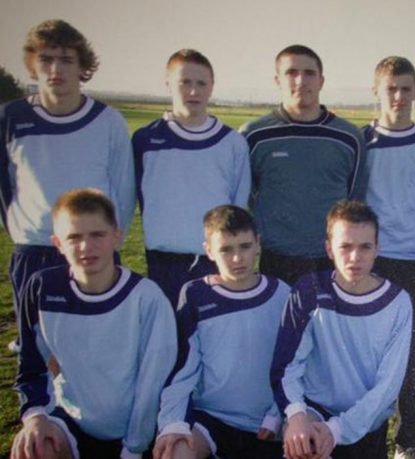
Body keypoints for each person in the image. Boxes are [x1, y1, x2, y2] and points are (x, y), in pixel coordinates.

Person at [1, 19, 135, 352]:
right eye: (46, 59)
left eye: (66, 59)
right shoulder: (10, 119)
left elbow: (123, 189)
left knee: (97, 348)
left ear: (83, 67)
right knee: (37, 353)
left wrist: (108, 242)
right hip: (34, 251)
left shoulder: (108, 122)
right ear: (33, 64)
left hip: (96, 251)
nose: (55, 69)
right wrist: (24, 232)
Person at [12, 188, 176, 459]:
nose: (86, 247)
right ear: (58, 243)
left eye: (97, 235)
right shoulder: (42, 288)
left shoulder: (146, 297)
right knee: (34, 447)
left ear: (117, 236)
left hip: (138, 432)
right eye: (74, 237)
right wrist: (35, 416)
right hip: (72, 421)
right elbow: (30, 366)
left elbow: (153, 381)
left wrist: (134, 448)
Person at [271, 200, 412, 459]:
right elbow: (287, 365)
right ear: (329, 249)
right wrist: (296, 415)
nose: (355, 257)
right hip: (315, 412)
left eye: (365, 247)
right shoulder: (309, 291)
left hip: (366, 423)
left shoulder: (398, 303)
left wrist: (338, 429)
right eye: (345, 247)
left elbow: (387, 387)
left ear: (377, 249)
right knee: (304, 447)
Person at [153, 205, 290, 459]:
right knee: (175, 453)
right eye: (226, 249)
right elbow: (182, 368)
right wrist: (172, 423)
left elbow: (292, 364)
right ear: (209, 251)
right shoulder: (195, 294)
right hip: (212, 420)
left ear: (258, 244)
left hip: (269, 423)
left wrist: (275, 414)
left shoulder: (281, 293)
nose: (237, 258)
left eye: (245, 246)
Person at [360, 56, 415, 458]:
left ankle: (411, 443)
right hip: (372, 262)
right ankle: (367, 436)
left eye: (406, 88)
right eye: (391, 88)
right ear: (377, 91)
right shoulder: (364, 141)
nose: (398, 96)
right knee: (371, 356)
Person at [240, 45, 368, 285]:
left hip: (331, 259)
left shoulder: (349, 137)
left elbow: (354, 199)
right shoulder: (254, 135)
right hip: (276, 259)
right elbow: (247, 195)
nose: (301, 80)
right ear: (277, 79)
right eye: (291, 72)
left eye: (309, 73)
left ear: (321, 80)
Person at [133, 49, 250, 301]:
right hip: (162, 261)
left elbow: (238, 206)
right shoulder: (145, 140)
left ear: (211, 87)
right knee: (169, 337)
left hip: (215, 261)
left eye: (201, 83)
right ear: (168, 84)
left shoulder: (232, 143)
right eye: (184, 82)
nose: (193, 91)